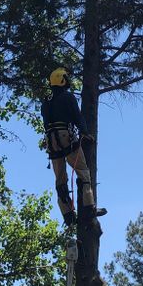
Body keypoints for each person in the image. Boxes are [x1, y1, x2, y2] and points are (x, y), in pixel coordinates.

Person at [41, 68, 104, 226]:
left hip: (51, 140)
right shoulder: (68, 97)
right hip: (66, 137)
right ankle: (89, 207)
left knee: (60, 180)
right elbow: (77, 117)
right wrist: (85, 132)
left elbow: (46, 123)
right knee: (83, 172)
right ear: (63, 81)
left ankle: (68, 215)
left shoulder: (46, 102)